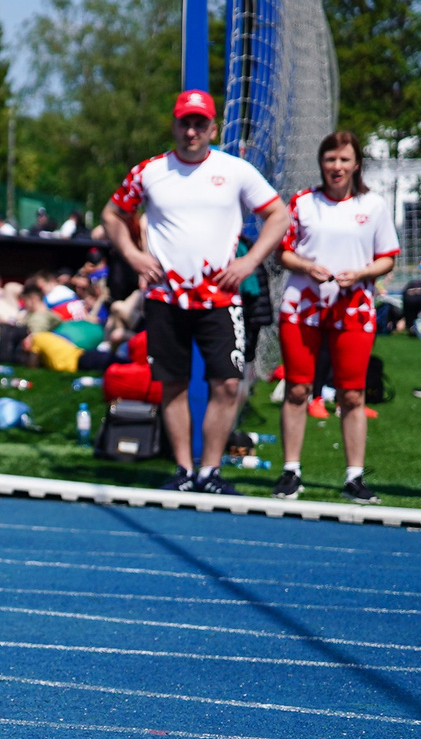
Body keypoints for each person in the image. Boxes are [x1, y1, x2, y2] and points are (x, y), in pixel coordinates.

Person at [104, 89, 288, 494]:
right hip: (166, 298)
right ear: (174, 124)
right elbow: (114, 213)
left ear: (212, 128)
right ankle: (185, 471)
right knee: (173, 384)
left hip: (220, 299)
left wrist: (249, 261)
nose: (191, 131)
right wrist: (134, 256)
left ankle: (211, 471)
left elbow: (278, 213)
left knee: (226, 383)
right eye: (185, 122)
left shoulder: (234, 170)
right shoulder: (150, 171)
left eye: (199, 123)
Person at [273, 130, 398, 503]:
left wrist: (360, 274)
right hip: (302, 307)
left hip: (354, 309)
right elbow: (283, 252)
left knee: (352, 394)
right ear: (321, 163)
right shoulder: (302, 203)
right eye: (330, 159)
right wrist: (307, 266)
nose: (337, 167)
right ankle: (291, 471)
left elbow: (387, 257)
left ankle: (354, 477)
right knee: (297, 388)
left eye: (344, 159)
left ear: (356, 163)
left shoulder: (373, 205)